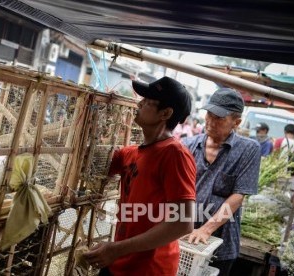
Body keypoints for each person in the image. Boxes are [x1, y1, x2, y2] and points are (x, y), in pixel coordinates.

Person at [83, 77, 196, 275]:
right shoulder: (131, 153)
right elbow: (92, 162)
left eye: (148, 100)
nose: (140, 103)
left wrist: (116, 249)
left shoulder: (174, 154)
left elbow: (183, 223)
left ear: (166, 113)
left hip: (149, 268)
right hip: (119, 261)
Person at [182, 88, 261, 276]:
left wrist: (205, 230)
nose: (210, 121)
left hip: (221, 239)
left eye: (219, 117)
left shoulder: (248, 149)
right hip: (184, 233)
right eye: (209, 114)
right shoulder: (188, 145)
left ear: (236, 122)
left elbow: (238, 196)